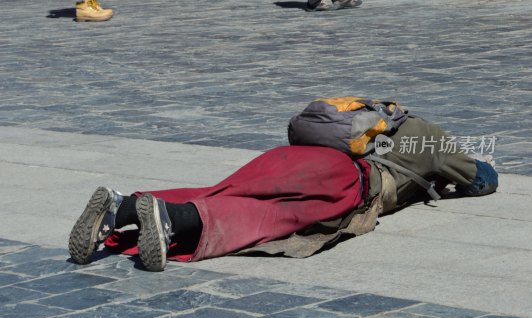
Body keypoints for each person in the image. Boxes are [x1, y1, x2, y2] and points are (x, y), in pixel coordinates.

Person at [68, 114, 498, 272]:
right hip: (347, 179)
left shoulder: (354, 121)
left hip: (291, 158)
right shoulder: (427, 135)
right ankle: (175, 221)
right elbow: (482, 179)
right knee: (272, 219)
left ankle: (123, 205)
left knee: (223, 189)